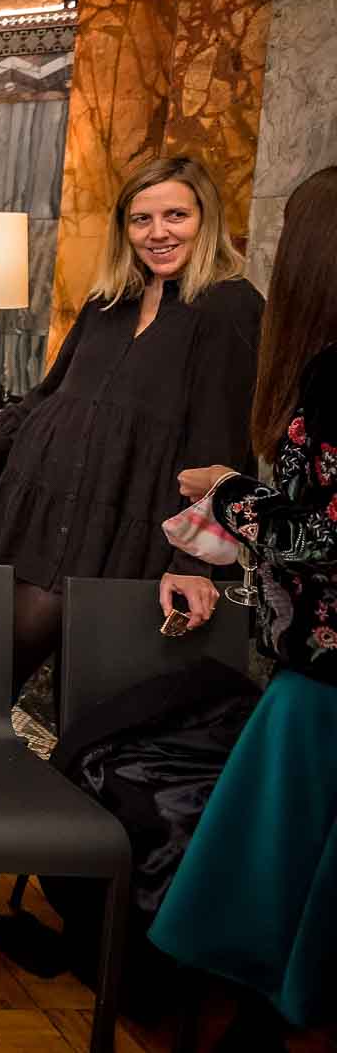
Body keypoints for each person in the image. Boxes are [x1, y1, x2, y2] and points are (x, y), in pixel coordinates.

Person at [0, 156, 264, 702]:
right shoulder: (109, 300)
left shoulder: (230, 307)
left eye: (176, 215)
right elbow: (49, 394)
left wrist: (194, 562)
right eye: (141, 220)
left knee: (86, 693)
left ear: (207, 219)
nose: (157, 233)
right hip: (52, 509)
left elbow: (222, 448)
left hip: (136, 525)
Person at [149, 165, 337, 1046]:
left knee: (276, 895)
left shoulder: (328, 375)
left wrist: (228, 496)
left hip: (326, 688)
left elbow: (321, 530)